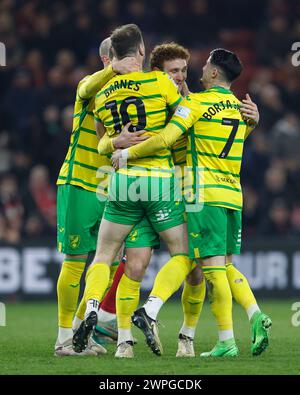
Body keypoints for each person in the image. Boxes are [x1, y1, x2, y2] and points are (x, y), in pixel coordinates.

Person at [113, 48, 272, 357]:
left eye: (201, 66)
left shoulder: (194, 104)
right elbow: (232, 138)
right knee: (221, 265)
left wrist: (126, 152)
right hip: (231, 194)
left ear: (213, 72)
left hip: (200, 193)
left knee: (203, 265)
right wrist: (255, 122)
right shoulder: (240, 109)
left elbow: (165, 139)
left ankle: (197, 328)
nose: (192, 72)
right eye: (177, 70)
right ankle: (253, 315)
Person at [72, 24, 196, 358]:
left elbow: (101, 143)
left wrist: (115, 143)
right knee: (183, 254)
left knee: (104, 256)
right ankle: (151, 308)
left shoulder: (103, 92)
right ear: (141, 51)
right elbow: (184, 116)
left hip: (121, 183)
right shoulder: (160, 82)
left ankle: (95, 310)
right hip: (157, 179)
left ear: (112, 55)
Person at [54, 36, 140, 356]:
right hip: (79, 181)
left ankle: (80, 331)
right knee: (76, 261)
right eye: (125, 59)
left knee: (109, 261)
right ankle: (63, 338)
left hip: (109, 187)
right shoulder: (90, 86)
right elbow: (85, 88)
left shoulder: (127, 95)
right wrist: (112, 69)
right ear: (109, 59)